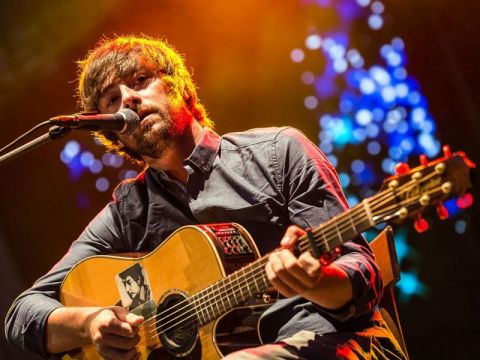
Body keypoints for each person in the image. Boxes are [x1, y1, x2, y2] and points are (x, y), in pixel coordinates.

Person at [5, 35, 406, 359]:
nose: (127, 98)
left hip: (336, 343)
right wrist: (92, 323)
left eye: (140, 82)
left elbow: (360, 268)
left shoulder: (278, 152)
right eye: (112, 100)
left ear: (179, 86)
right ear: (113, 133)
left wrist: (317, 281)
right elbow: (22, 313)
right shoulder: (128, 213)